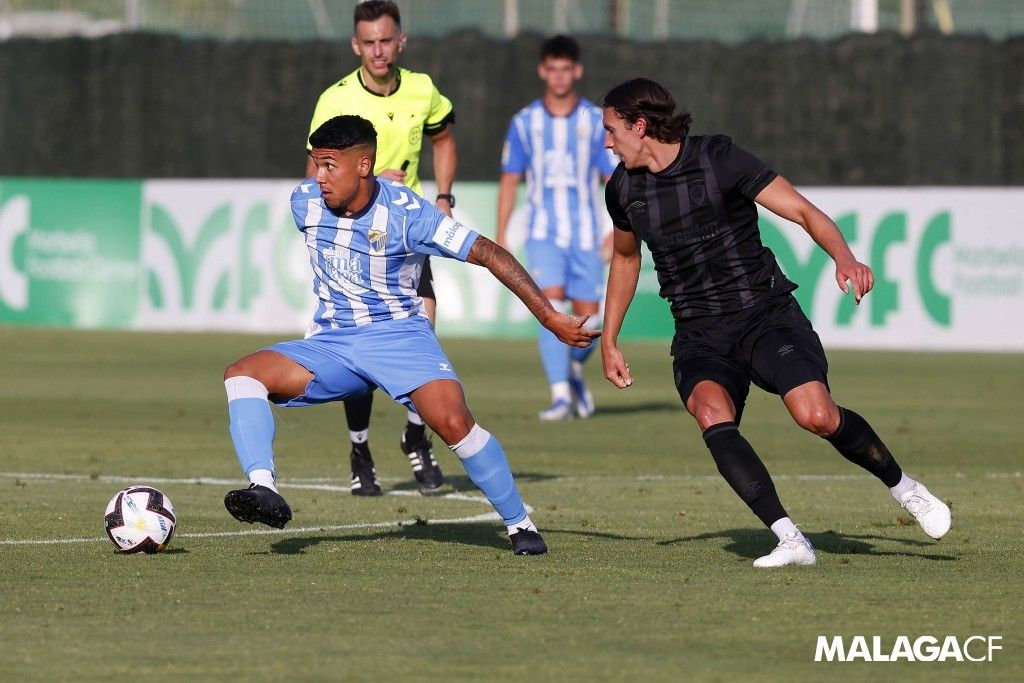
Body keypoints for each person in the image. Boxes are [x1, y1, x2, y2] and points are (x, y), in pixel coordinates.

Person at [599, 78, 952, 568]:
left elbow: (803, 212)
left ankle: (905, 488)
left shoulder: (717, 158)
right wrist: (609, 338)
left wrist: (844, 258)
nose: (607, 142)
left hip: (763, 315)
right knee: (710, 415)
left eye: (611, 130)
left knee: (817, 416)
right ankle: (790, 539)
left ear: (640, 125)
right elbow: (624, 260)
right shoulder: (622, 189)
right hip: (698, 332)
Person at [222, 114, 598, 555]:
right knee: (242, 374)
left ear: (362, 165)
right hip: (332, 345)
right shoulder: (304, 202)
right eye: (315, 164)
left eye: (328, 166)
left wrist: (548, 315)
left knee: (455, 423)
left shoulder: (408, 214)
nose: (317, 178)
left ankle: (519, 524)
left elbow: (489, 252)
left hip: (401, 338)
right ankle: (263, 488)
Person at [304, 0, 457, 496]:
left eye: (385, 41)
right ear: (356, 45)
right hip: (354, 240)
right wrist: (366, 186)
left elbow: (445, 137)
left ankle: (416, 438)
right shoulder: (335, 99)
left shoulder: (422, 89)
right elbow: (315, 175)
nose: (377, 50)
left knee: (423, 341)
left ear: (400, 41)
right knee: (359, 356)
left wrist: (442, 196)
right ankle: (360, 449)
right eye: (368, 42)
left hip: (406, 238)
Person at [496, 35, 618, 421]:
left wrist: (619, 228)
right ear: (543, 71)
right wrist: (500, 236)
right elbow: (510, 179)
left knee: (589, 321)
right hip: (543, 233)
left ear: (577, 71)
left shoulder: (594, 121)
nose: (560, 76)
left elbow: (612, 179)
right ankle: (561, 395)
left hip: (586, 234)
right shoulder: (524, 122)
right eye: (553, 68)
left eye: (567, 68)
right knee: (552, 308)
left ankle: (574, 369)